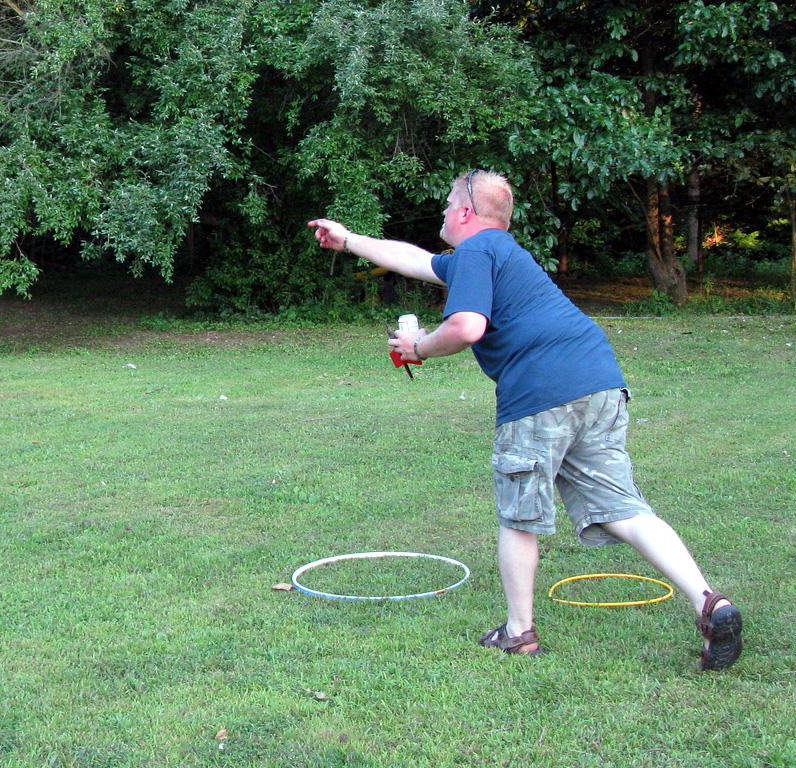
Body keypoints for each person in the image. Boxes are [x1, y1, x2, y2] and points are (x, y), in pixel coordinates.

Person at [308, 170, 742, 670]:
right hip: (598, 379)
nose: (444, 212)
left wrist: (419, 348)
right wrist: (349, 240)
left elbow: (468, 326)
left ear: (466, 212)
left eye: (449, 204)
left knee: (519, 516)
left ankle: (519, 633)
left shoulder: (475, 253)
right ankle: (711, 604)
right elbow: (414, 260)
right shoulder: (498, 253)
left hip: (540, 391)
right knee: (624, 510)